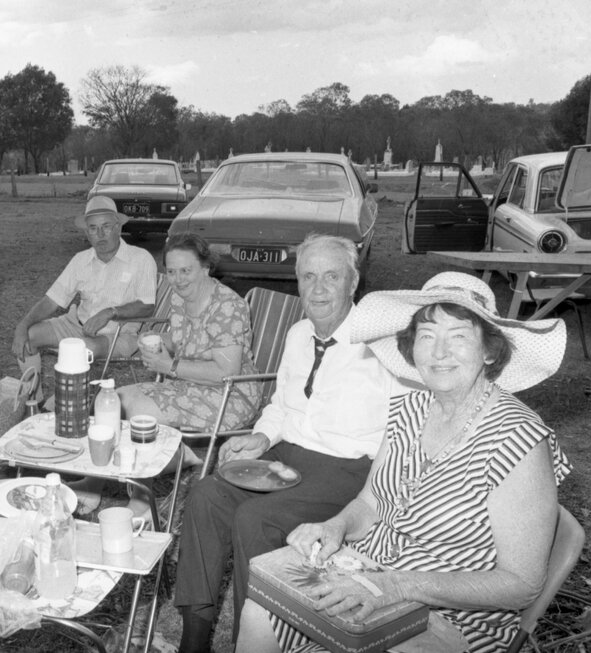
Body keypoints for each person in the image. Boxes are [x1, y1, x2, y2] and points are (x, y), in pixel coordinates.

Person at [237, 271, 570, 653]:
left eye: (458, 336)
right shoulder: (409, 409)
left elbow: (520, 584)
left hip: (450, 617)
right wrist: (335, 526)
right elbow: (371, 503)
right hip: (365, 576)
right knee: (259, 612)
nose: (439, 352)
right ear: (412, 347)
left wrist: (396, 586)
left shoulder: (519, 439)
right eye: (427, 336)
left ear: (490, 350)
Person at [173, 234, 413, 653]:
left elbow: (402, 432)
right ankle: (194, 638)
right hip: (286, 457)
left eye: (331, 276)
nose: (318, 288)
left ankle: (254, 641)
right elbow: (282, 405)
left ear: (352, 283)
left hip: (348, 469)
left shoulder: (383, 346)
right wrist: (262, 436)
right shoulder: (298, 333)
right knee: (207, 494)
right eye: (308, 276)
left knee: (255, 519)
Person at [118, 233, 261, 432]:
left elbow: (226, 372)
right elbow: (186, 341)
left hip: (230, 395)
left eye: (186, 270)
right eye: (171, 272)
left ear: (205, 268)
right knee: (114, 399)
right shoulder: (180, 298)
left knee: (137, 413)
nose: (178, 280)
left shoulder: (227, 307)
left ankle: (180, 458)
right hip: (186, 385)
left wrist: (169, 366)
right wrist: (156, 340)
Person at [12, 195, 157, 389]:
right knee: (29, 337)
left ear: (118, 227)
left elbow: (147, 306)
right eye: (93, 228)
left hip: (119, 334)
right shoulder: (81, 260)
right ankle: (35, 404)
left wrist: (110, 313)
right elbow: (51, 301)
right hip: (76, 325)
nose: (101, 233)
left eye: (106, 226)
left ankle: (69, 403)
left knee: (83, 350)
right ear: (86, 233)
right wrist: (22, 326)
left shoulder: (141, 259)